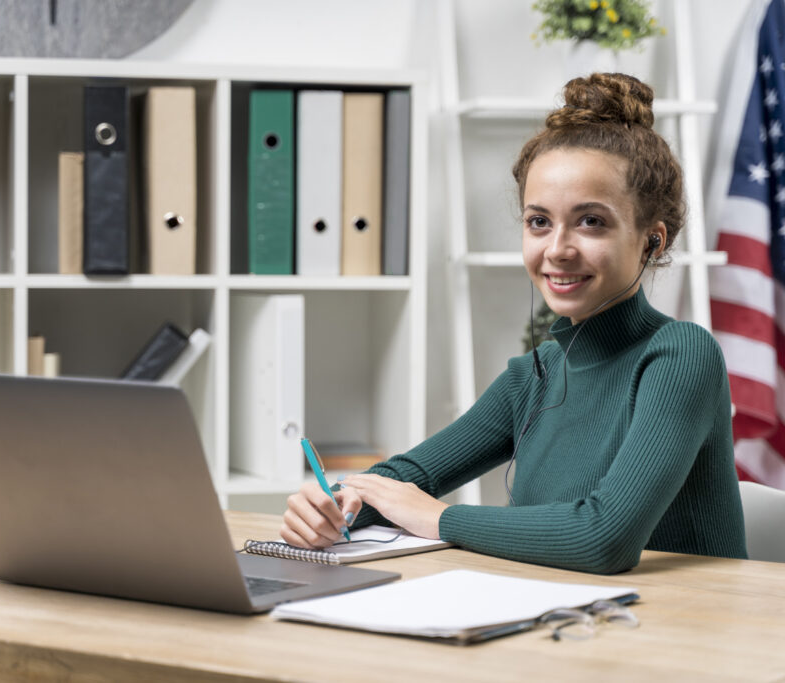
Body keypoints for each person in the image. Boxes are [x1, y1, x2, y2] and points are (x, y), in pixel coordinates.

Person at [281, 73, 748, 574]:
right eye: (539, 222)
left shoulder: (680, 356)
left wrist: (440, 518)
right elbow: (406, 478)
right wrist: (334, 504)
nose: (557, 249)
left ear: (652, 240)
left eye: (591, 221)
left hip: (688, 635)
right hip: (569, 622)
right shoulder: (536, 374)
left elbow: (603, 537)